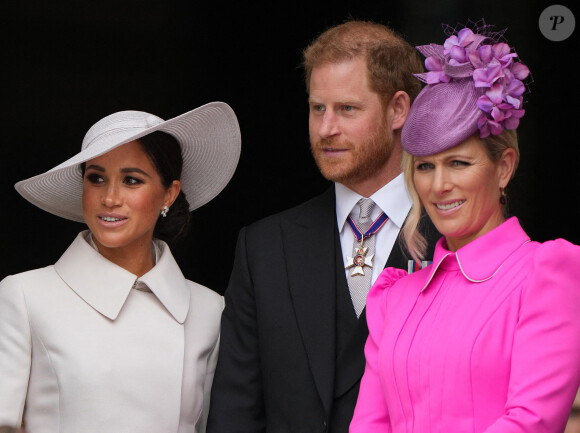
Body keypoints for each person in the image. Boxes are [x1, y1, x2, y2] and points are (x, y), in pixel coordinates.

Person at [207, 20, 439, 433]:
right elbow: (235, 411)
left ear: (398, 109)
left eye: (347, 108)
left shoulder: (453, 239)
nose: (326, 128)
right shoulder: (264, 248)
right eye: (318, 108)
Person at [350, 21, 580, 432]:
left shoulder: (546, 272)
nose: (439, 186)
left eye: (459, 163)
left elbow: (531, 422)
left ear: (504, 167)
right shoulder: (395, 298)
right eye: (425, 167)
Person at [0, 102, 241, 433]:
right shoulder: (25, 297)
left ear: (169, 194)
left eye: (131, 180)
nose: (110, 197)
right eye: (96, 178)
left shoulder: (209, 309)